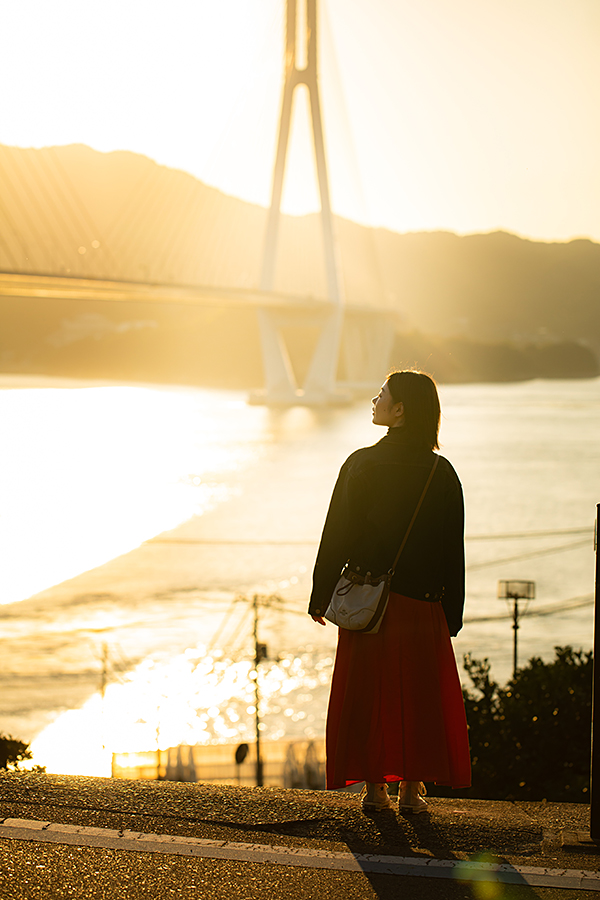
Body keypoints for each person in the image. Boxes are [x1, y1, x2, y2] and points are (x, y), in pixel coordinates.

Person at [308, 369, 470, 813]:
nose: (374, 400)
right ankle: (412, 791)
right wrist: (451, 611)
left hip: (369, 603)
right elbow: (451, 548)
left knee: (367, 694)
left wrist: (321, 593)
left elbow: (336, 534)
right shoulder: (442, 472)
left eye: (382, 395)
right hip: (423, 604)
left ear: (399, 410)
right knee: (418, 696)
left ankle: (374, 788)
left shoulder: (361, 463)